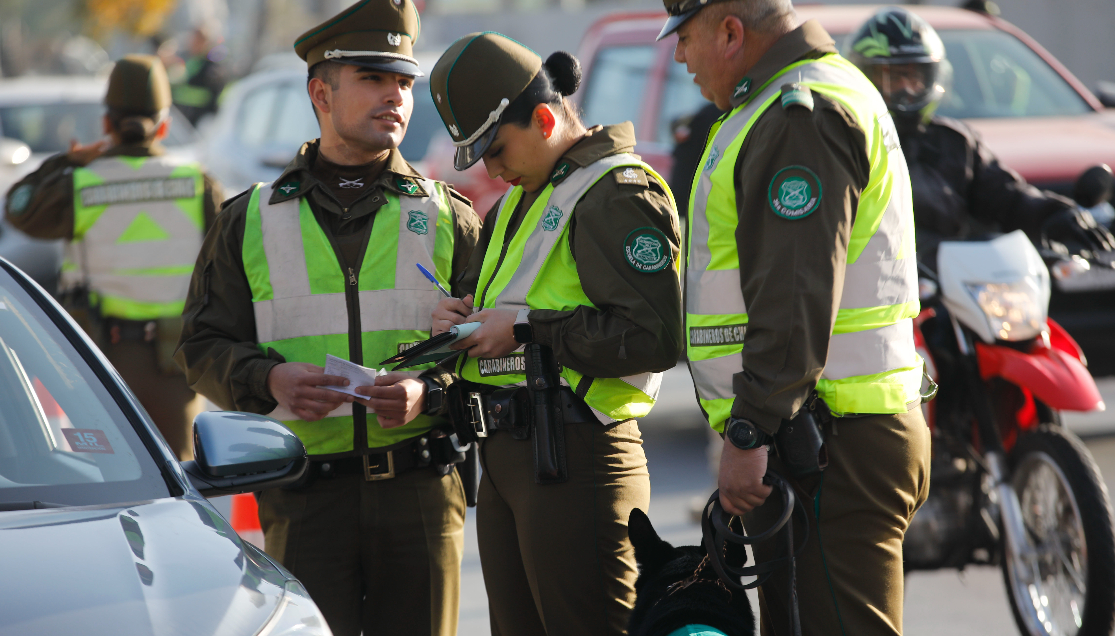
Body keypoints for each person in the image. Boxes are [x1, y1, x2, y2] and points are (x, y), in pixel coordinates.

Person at [173, 1, 481, 634]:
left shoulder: (450, 215)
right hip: (303, 500)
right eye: (373, 78)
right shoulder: (249, 218)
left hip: (420, 492)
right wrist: (269, 380)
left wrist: (429, 391)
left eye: (403, 82)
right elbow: (201, 345)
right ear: (321, 91)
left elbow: (495, 353)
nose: (395, 95)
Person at [659, 0, 932, 634]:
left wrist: (748, 432)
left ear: (730, 32)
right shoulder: (789, 97)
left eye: (686, 36)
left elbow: (793, 297)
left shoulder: (796, 114)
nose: (678, 55)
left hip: (828, 439)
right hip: (821, 429)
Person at [428, 33, 682, 636]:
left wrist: (521, 329)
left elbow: (654, 337)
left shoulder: (615, 193)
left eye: (496, 149)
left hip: (578, 456)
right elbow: (518, 305)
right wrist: (462, 318)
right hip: (513, 456)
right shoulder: (519, 200)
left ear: (544, 118)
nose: (491, 168)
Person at [4, 54, 222, 461]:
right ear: (164, 125)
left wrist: (66, 161)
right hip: (177, 364)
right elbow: (230, 268)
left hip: (97, 365)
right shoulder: (197, 184)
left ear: (106, 124)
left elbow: (19, 208)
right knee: (177, 483)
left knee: (108, 478)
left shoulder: (80, 186)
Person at [846, 6, 1115, 270]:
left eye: (916, 77)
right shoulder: (848, 141)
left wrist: (1055, 215)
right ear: (864, 78)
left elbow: (1007, 197)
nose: (908, 88)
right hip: (877, 289)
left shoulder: (955, 142)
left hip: (955, 288)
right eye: (895, 78)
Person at [170, 21, 227, 126]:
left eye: (198, 41)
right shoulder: (185, 59)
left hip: (196, 120)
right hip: (177, 116)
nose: (193, 43)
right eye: (193, 40)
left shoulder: (212, 69)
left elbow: (213, 97)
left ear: (206, 43)